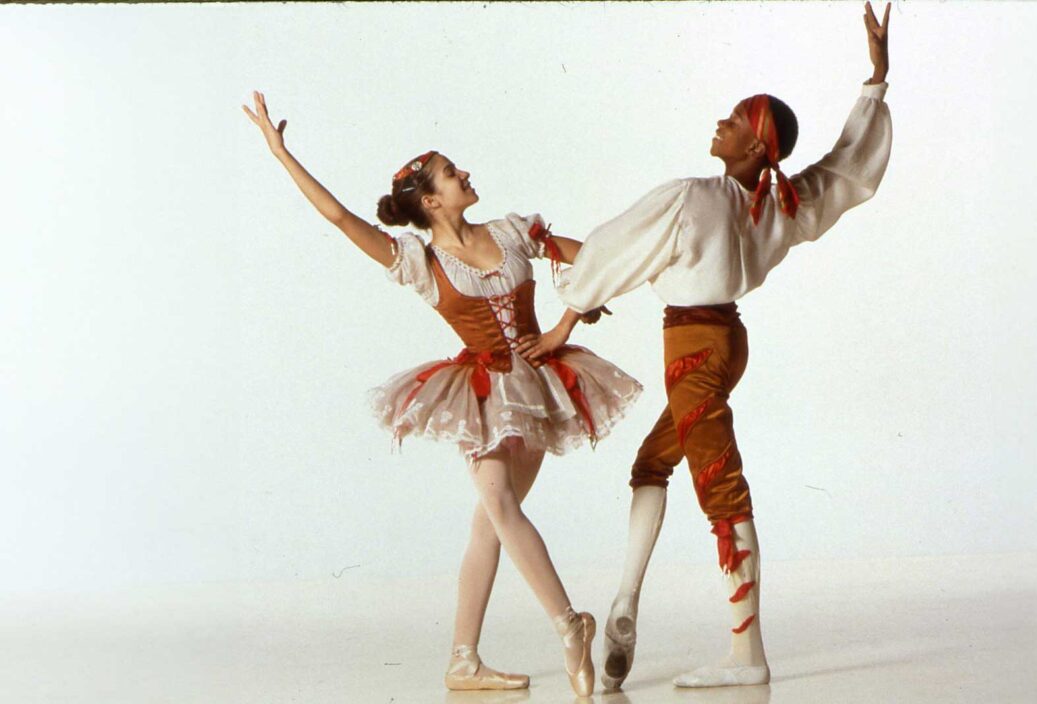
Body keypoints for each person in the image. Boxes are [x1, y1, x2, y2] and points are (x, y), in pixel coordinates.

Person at [517, 1, 893, 690]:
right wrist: (875, 80)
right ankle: (626, 597)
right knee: (651, 464)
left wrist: (566, 319)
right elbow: (845, 172)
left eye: (733, 119)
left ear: (755, 148)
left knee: (721, 492)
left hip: (692, 349)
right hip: (722, 343)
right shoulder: (781, 204)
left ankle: (746, 656)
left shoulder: (694, 197)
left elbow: (615, 252)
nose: (719, 123)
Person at [242, 92, 643, 697]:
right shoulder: (419, 261)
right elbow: (341, 219)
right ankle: (568, 626)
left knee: (491, 523)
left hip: (539, 388)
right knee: (500, 507)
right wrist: (281, 153)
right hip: (481, 395)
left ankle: (464, 661)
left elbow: (593, 262)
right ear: (431, 201)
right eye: (454, 174)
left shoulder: (512, 232)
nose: (466, 175)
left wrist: (566, 322)